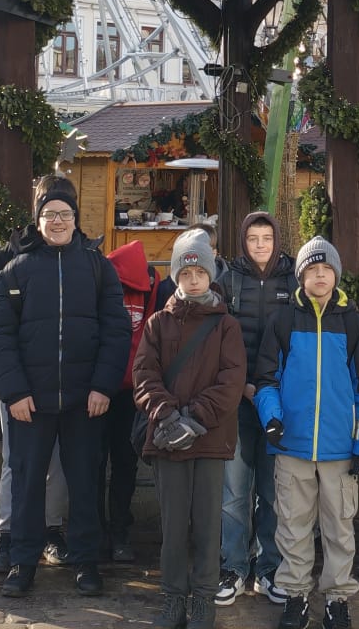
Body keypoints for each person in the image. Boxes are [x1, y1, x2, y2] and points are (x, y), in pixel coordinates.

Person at [0, 174, 131, 597]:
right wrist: (14, 392)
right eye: (49, 214)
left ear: (76, 218)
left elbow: (116, 330)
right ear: (38, 220)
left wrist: (103, 386)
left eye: (65, 213)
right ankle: (22, 561)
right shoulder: (16, 269)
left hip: (86, 400)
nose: (58, 221)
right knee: (27, 484)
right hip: (31, 400)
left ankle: (85, 561)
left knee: (84, 483)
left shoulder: (97, 267)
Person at [256, 238, 359, 629]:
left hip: (339, 448)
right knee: (292, 527)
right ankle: (295, 595)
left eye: (326, 269)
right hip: (292, 446)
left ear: (336, 275)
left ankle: (337, 599)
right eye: (312, 269)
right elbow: (266, 379)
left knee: (339, 528)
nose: (320, 275)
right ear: (302, 276)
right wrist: (271, 417)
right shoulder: (283, 321)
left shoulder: (354, 324)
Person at [134, 232, 245, 629]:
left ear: (210, 275)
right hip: (168, 439)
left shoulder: (226, 326)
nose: (194, 279)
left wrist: (195, 418)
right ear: (176, 276)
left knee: (208, 524)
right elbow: (144, 375)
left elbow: (232, 380)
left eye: (200, 272)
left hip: (210, 439)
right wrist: (167, 417)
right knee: (174, 524)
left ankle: (203, 598)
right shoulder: (157, 324)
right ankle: (173, 596)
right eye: (186, 272)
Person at [218, 212, 295, 606]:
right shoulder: (228, 279)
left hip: (278, 402)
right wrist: (242, 386)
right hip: (236, 400)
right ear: (243, 241)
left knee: (272, 490)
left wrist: (271, 389)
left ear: (276, 240)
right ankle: (233, 566)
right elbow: (218, 340)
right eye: (253, 238)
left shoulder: (293, 279)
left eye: (266, 237)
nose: (261, 245)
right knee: (234, 490)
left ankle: (269, 567)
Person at [107, 236, 173, 562]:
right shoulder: (154, 286)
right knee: (122, 465)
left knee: (105, 464)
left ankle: (107, 532)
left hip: (114, 387)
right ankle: (117, 532)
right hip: (126, 388)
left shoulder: (151, 288)